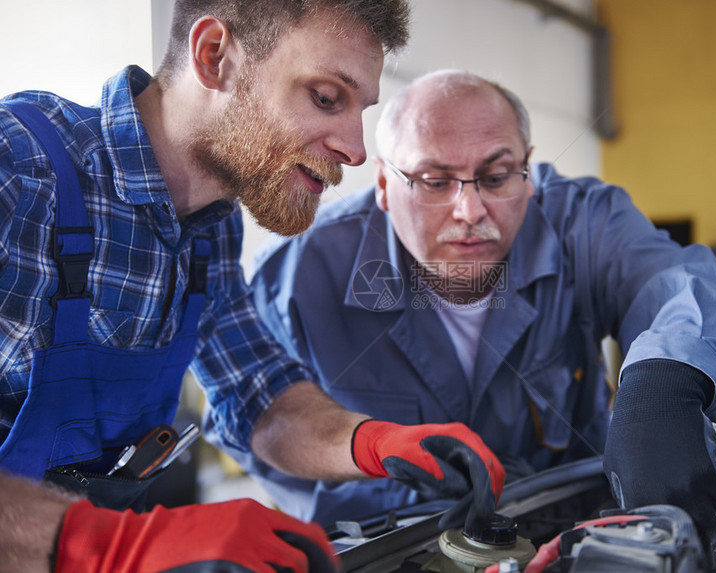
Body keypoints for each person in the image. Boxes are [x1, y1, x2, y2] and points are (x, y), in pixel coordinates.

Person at [1, 3, 506, 572]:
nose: (355, 149)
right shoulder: (16, 171)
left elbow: (258, 396)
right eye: (324, 97)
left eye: (359, 110)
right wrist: (108, 546)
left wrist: (373, 443)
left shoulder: (211, 228)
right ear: (214, 56)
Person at [239, 69, 716, 531]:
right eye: (433, 180)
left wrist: (665, 382)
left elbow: (690, 284)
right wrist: (412, 488)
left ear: (529, 170)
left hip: (564, 533)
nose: (469, 209)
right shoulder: (297, 276)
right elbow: (257, 429)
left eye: (495, 177)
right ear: (383, 182)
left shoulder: (579, 222)